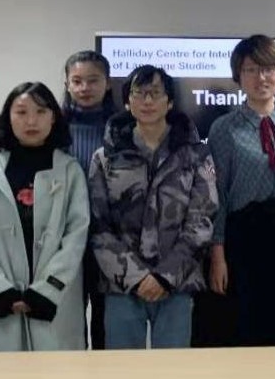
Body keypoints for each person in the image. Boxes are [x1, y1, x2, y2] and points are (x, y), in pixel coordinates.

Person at [89, 65, 218, 349]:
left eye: (156, 93)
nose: (147, 101)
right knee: (122, 368)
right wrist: (136, 277)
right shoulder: (105, 158)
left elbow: (202, 220)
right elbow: (99, 226)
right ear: (128, 101)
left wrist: (164, 277)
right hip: (121, 284)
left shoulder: (195, 154)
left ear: (169, 102)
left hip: (177, 283)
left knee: (173, 368)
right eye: (139, 93)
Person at [0, 82, 90, 351]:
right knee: (1, 368)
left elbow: (76, 236)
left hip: (56, 299)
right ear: (8, 117)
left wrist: (48, 289)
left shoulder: (70, 171)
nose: (31, 121)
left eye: (41, 112)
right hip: (0, 300)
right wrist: (0, 290)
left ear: (53, 117)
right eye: (21, 112)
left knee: (56, 367)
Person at [207, 35, 275, 346]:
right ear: (238, 76)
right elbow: (218, 195)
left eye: (268, 69)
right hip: (244, 239)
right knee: (245, 329)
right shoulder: (224, 129)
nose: (261, 78)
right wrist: (217, 257)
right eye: (251, 70)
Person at [62, 50, 116, 350]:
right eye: (77, 81)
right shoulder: (53, 128)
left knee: (107, 326)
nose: (85, 88)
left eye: (93, 80)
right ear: (67, 84)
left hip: (111, 239)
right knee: (68, 325)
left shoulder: (123, 127)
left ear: (107, 84)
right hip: (65, 239)